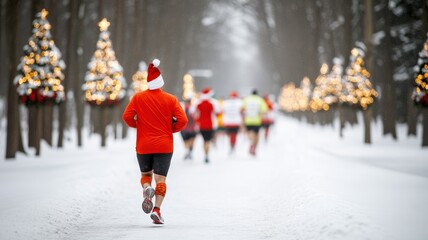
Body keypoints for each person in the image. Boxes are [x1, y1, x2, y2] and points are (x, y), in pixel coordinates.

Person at [122, 59, 188, 224]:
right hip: (164, 145)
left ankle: (146, 188)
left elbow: (127, 117)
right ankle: (157, 210)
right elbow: (183, 120)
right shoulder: (171, 99)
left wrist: (138, 125)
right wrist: (169, 129)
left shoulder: (138, 98)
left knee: (146, 174)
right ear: (160, 82)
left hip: (144, 145)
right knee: (161, 179)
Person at [191, 88, 220, 163]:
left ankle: (205, 154)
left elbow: (192, 112)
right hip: (210, 125)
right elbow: (218, 112)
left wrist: (197, 119)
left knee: (204, 140)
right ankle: (207, 155)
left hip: (201, 125)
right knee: (208, 141)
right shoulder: (213, 102)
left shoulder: (198, 103)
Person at [242, 89, 268, 156]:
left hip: (248, 120)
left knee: (251, 133)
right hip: (257, 121)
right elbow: (265, 110)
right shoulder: (260, 100)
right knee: (257, 135)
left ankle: (251, 144)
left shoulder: (246, 99)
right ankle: (254, 148)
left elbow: (242, 109)